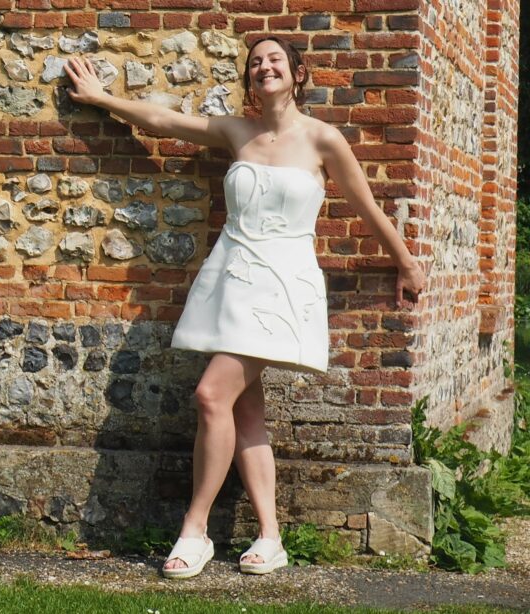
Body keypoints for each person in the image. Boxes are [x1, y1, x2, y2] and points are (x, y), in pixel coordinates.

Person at [63, 37, 425, 578]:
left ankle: (195, 529)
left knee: (211, 393)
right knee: (244, 409)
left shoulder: (324, 139)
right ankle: (270, 537)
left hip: (282, 286)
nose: (264, 67)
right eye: (255, 62)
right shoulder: (237, 129)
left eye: (274, 59)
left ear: (298, 73)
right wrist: (100, 98)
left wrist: (407, 264)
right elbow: (162, 120)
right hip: (229, 279)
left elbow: (365, 206)